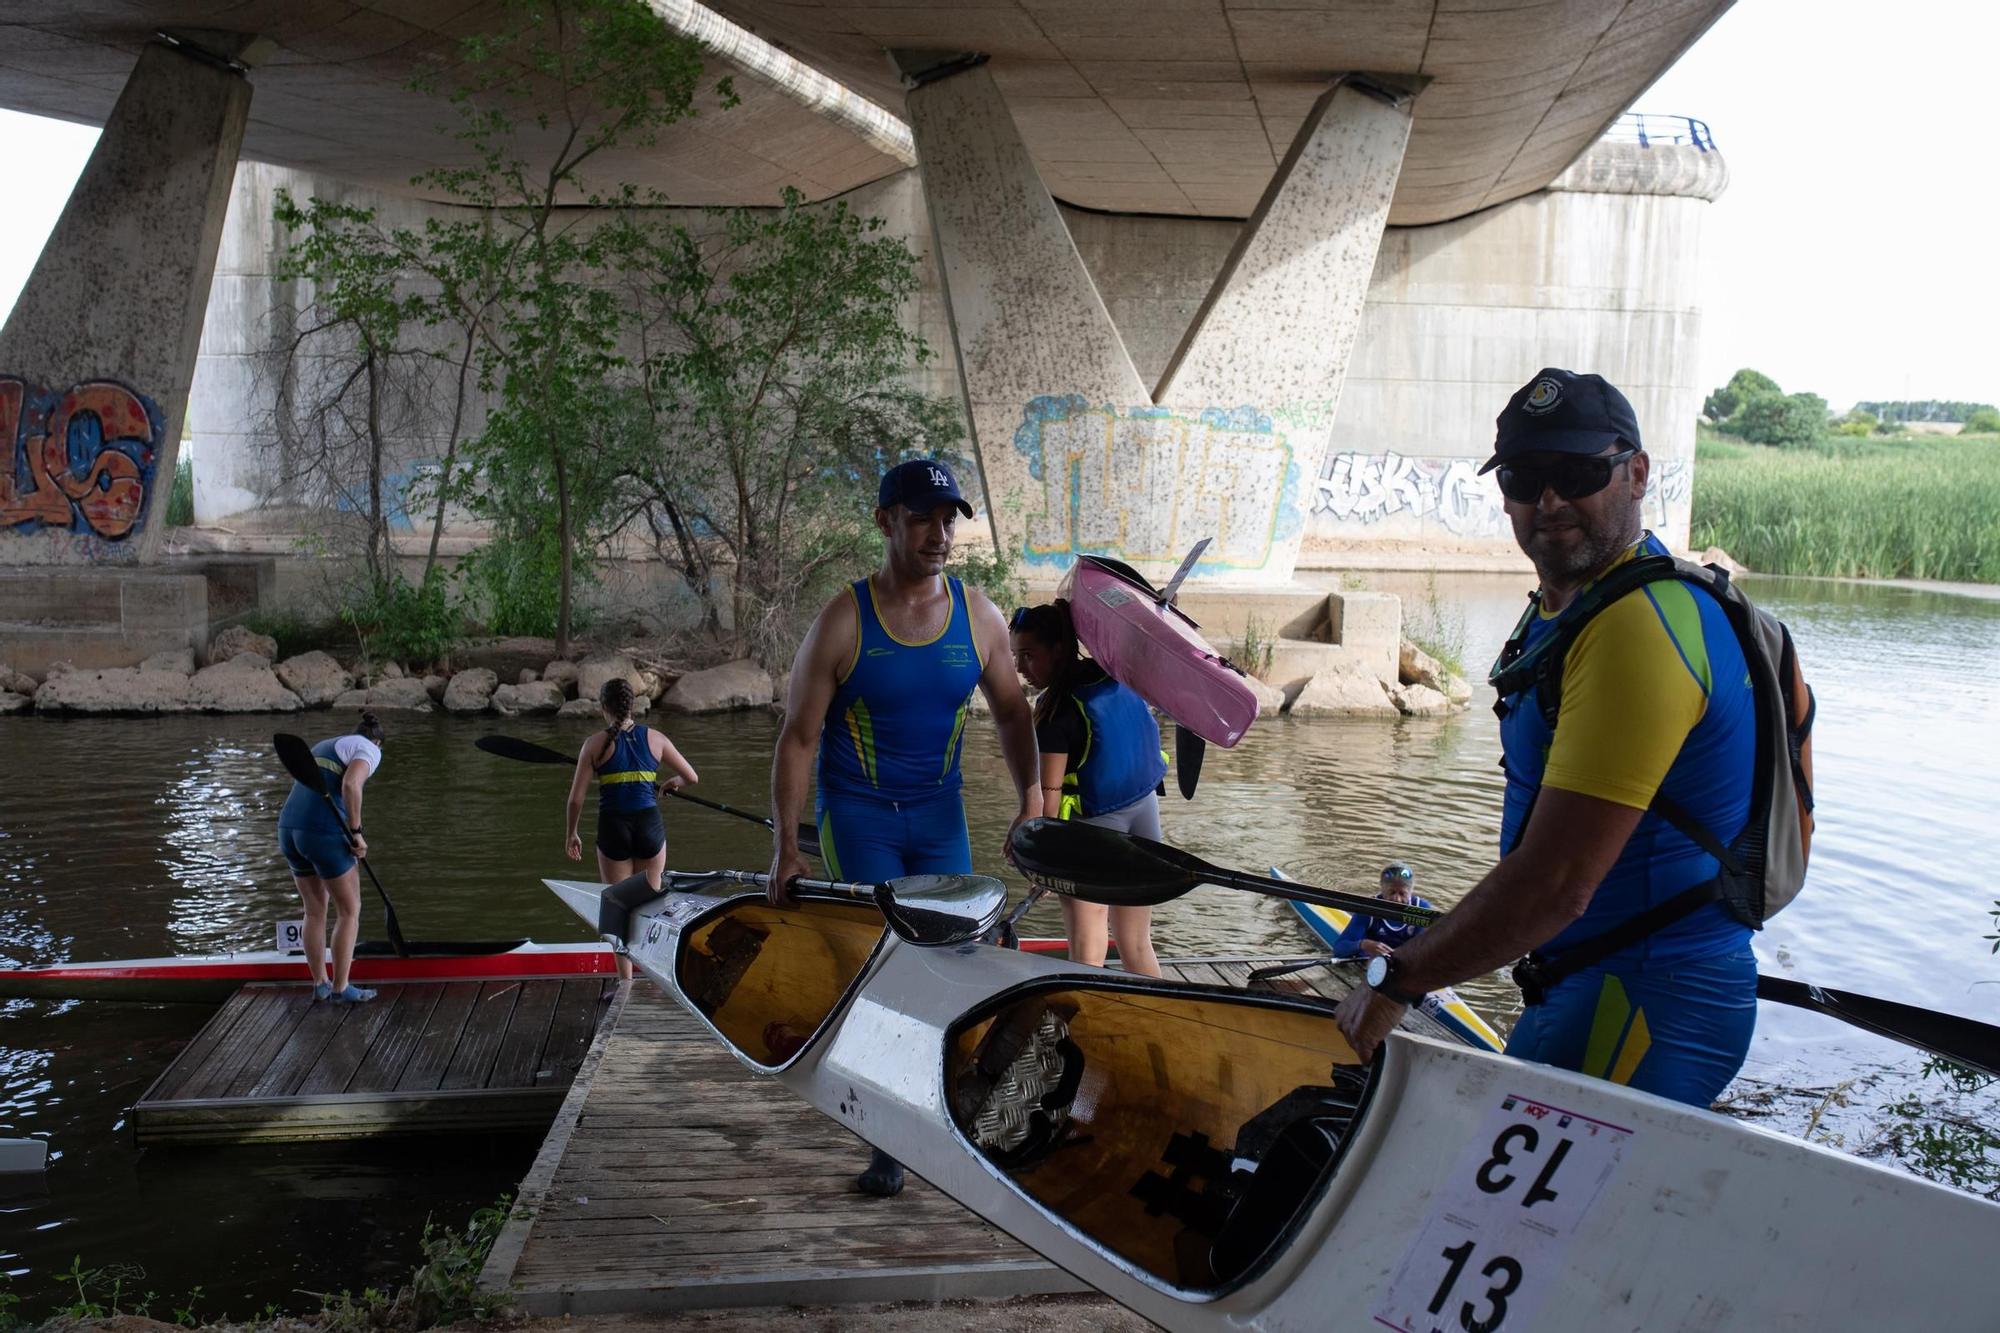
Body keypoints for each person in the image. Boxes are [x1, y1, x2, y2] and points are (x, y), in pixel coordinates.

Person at [1335, 368, 1760, 1108]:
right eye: (1526, 477)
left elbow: (1560, 883)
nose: (1550, 499)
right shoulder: (1572, 608)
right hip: (1588, 982)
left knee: (1498, 1222)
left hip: (1641, 996)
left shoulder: (1637, 626)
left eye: (1576, 471)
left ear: (1635, 474)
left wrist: (1398, 978)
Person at [770, 458, 1043, 1197]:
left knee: (955, 965)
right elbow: (797, 738)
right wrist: (785, 847)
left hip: (938, 815)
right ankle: (886, 1137)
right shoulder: (842, 620)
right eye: (922, 516)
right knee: (884, 971)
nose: (939, 532)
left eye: (949, 517)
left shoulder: (979, 616)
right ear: (885, 519)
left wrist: (1034, 795)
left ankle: (951, 1111)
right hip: (858, 817)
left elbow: (1016, 713)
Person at [1008, 599, 1165, 978]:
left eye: (1028, 656)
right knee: (1137, 943)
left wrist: (1040, 860)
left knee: (1086, 948)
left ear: (1058, 649)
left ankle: (1083, 1030)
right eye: (1016, 656)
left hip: (1097, 832)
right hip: (1146, 815)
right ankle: (1164, 1023)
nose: (1019, 668)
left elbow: (1050, 794)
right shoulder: (1112, 672)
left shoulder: (1055, 711)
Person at [566, 677, 699, 984]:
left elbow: (575, 799)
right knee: (649, 908)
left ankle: (625, 984)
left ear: (604, 708)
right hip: (649, 826)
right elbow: (691, 776)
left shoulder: (594, 745)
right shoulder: (656, 739)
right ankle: (656, 976)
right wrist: (671, 783)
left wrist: (572, 833)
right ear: (631, 706)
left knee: (618, 909)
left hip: (613, 829)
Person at [277, 711, 387, 1003]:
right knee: (350, 910)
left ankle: (320, 985)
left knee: (314, 910)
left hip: (288, 829)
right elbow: (352, 784)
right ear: (378, 742)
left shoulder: (324, 745)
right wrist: (357, 833)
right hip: (321, 832)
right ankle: (341, 988)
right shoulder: (370, 749)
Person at [1327, 863, 1434, 960]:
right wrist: (1363, 944)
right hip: (1371, 964)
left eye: (1402, 893)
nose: (1397, 899)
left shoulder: (1421, 909)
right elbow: (1339, 949)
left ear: (1411, 891)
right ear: (1382, 888)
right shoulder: (1369, 908)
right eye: (1391, 892)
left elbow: (1423, 950)